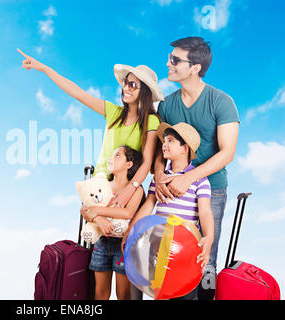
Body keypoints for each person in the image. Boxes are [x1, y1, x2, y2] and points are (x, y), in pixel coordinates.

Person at [17, 48, 163, 209]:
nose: (126, 88)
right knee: (93, 232)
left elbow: (147, 161)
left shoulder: (151, 121)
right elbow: (77, 92)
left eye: (133, 85)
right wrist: (44, 68)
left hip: (126, 190)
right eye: (125, 83)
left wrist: (131, 188)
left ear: (145, 93)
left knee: (121, 232)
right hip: (98, 187)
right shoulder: (113, 112)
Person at [154, 37, 239, 299]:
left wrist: (189, 178)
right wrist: (159, 176)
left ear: (195, 68)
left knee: (205, 258)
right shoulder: (167, 105)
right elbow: (160, 149)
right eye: (170, 58)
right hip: (174, 188)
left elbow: (227, 153)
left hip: (211, 189)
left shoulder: (221, 101)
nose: (168, 63)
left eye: (175, 60)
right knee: (168, 255)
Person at [122, 122, 214, 300]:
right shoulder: (160, 178)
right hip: (160, 246)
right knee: (161, 291)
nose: (164, 144)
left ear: (184, 148)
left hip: (185, 249)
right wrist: (129, 230)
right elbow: (148, 206)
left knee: (184, 294)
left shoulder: (199, 179)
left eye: (170, 140)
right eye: (164, 140)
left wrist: (208, 236)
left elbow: (205, 212)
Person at [81, 145, 145, 300]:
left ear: (128, 165)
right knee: (100, 294)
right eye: (112, 155)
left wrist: (97, 211)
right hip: (101, 243)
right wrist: (98, 218)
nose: (111, 158)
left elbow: (127, 213)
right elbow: (85, 209)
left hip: (123, 246)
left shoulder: (137, 190)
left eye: (117, 156)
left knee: (123, 295)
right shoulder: (103, 185)